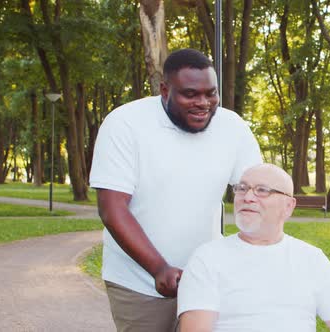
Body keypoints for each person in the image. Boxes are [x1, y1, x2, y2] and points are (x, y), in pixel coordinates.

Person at [89, 48, 262, 331]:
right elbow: (111, 208)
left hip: (207, 280)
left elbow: (258, 191)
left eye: (211, 93)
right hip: (139, 284)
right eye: (190, 94)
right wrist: (158, 268)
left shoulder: (232, 127)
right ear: (164, 90)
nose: (203, 103)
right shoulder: (125, 124)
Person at [177, 163, 330, 332]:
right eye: (242, 188)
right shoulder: (208, 258)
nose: (248, 197)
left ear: (289, 206)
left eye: (262, 190)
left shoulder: (311, 258)